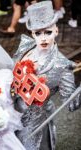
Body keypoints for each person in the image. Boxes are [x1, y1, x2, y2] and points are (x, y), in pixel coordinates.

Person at [12, 1, 81, 150]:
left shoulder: (62, 66)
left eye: (48, 32)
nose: (43, 38)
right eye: (38, 33)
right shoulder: (25, 46)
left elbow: (72, 104)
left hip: (35, 126)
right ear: (32, 34)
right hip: (11, 116)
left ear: (56, 30)